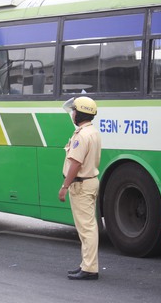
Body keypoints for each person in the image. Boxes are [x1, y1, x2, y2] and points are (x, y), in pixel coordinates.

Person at [59, 96, 102, 281]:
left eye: (74, 110)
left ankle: (90, 269)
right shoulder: (92, 132)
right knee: (87, 227)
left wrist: (64, 186)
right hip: (89, 182)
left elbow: (75, 163)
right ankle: (87, 264)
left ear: (80, 113)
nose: (73, 113)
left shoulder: (82, 135)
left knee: (86, 228)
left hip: (81, 184)